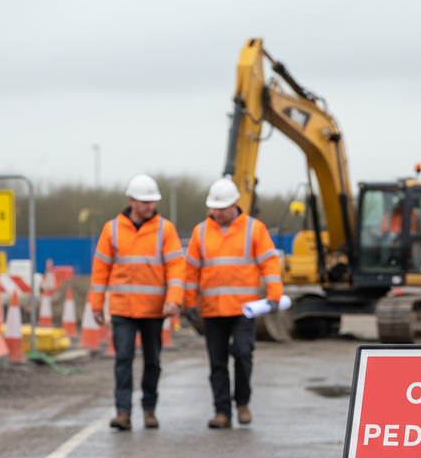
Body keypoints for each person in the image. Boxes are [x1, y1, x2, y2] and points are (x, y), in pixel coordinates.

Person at [184, 178, 283, 429]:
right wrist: (189, 301)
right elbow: (191, 270)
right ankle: (222, 412)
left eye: (223, 208)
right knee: (217, 362)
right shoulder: (201, 231)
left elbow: (269, 263)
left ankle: (242, 402)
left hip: (243, 309)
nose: (218, 212)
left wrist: (274, 295)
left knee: (242, 353)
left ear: (235, 204)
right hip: (212, 309)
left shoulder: (254, 229)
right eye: (214, 208)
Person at [89, 174, 184, 431]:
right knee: (123, 359)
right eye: (145, 202)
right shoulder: (112, 229)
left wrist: (173, 300)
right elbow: (100, 269)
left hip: (154, 310)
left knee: (153, 361)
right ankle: (123, 413)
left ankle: (149, 409)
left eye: (153, 202)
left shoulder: (166, 229)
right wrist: (96, 304)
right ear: (132, 200)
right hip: (123, 308)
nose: (150, 206)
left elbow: (176, 268)